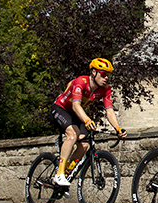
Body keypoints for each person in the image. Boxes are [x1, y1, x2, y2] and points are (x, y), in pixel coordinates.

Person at [48, 58, 128, 196]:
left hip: (75, 114)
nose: (106, 77)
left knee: (84, 145)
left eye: (108, 75)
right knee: (73, 135)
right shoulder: (81, 82)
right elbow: (75, 105)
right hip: (60, 109)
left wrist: (118, 128)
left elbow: (109, 110)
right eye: (103, 74)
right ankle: (59, 173)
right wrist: (87, 120)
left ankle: (66, 173)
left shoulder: (105, 89)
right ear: (93, 72)